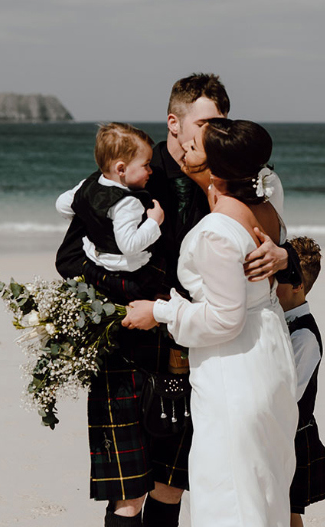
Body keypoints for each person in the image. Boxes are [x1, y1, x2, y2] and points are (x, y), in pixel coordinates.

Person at [54, 74, 294, 527]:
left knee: (175, 482)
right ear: (175, 123)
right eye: (204, 123)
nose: (213, 135)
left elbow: (278, 241)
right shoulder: (129, 172)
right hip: (130, 343)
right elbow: (69, 258)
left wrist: (283, 256)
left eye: (221, 125)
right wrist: (140, 298)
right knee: (128, 492)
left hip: (198, 350)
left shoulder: (238, 177)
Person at [123, 119, 299, 527]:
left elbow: (224, 319)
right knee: (261, 486)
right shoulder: (266, 207)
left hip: (234, 368)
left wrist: (159, 311)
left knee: (230, 493)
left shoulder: (216, 232)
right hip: (269, 354)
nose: (184, 146)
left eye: (195, 144)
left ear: (215, 169)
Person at [55, 122, 168, 301]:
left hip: (94, 261)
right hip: (126, 273)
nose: (150, 170)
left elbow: (62, 204)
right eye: (145, 165)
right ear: (121, 169)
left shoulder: (89, 183)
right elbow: (129, 246)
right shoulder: (128, 202)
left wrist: (93, 218)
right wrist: (154, 221)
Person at [276, 236, 325, 527]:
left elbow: (288, 393)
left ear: (297, 285)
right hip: (284, 431)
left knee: (288, 513)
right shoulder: (281, 321)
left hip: (295, 436)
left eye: (278, 278)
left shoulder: (304, 336)